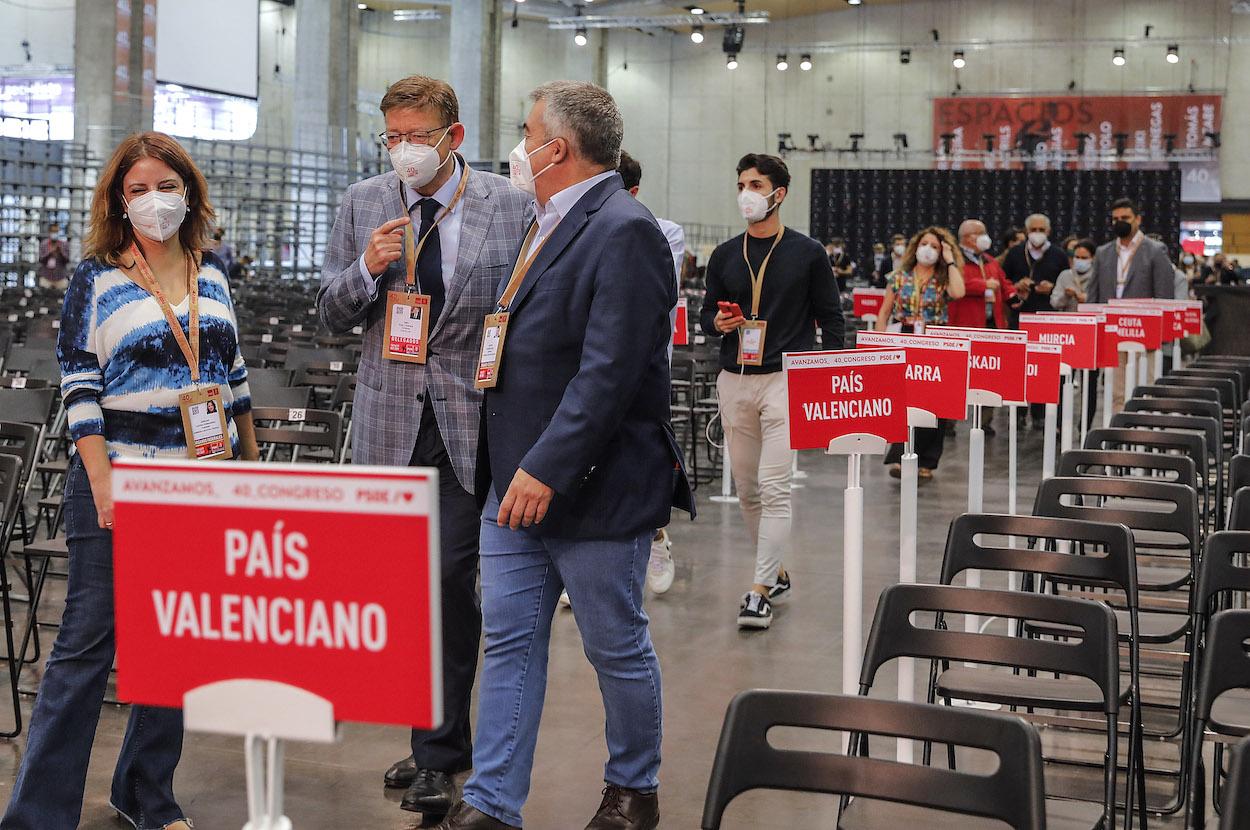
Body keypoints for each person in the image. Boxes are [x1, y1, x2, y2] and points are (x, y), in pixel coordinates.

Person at [435, 80, 692, 830]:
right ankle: (491, 801)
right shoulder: (542, 222)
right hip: (509, 484)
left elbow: (610, 372)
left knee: (614, 645)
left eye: (525, 132)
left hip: (592, 486)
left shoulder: (625, 228)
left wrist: (548, 466)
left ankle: (632, 789)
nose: (517, 146)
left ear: (558, 149)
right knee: (510, 641)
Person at [1, 131, 259, 830]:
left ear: (189, 191)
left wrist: (250, 477)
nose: (153, 200)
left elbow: (233, 388)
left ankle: (147, 793)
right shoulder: (97, 276)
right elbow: (80, 388)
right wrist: (104, 480)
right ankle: (37, 815)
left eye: (165, 185)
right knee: (87, 645)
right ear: (119, 199)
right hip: (121, 482)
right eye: (137, 188)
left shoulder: (212, 274)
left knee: (173, 646)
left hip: (200, 485)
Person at [318, 75, 530, 820]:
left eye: (418, 135)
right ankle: (436, 734)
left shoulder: (511, 205)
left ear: (454, 137)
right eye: (393, 137)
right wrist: (367, 270)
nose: (405, 150)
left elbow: (527, 314)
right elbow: (330, 316)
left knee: (447, 580)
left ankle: (441, 754)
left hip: (471, 428)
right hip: (387, 426)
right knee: (407, 592)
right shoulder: (363, 204)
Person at [700, 153, 843, 631]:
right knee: (747, 488)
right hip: (735, 377)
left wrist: (826, 377)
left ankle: (758, 590)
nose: (747, 192)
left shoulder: (808, 253)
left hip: (787, 378)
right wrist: (719, 323)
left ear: (778, 194)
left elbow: (832, 319)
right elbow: (706, 318)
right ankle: (776, 571)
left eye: (756, 184)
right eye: (741, 183)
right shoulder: (724, 255)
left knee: (775, 486)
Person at [616, 150, 682, 596]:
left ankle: (655, 536)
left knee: (637, 469)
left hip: (642, 373)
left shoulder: (664, 233)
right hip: (582, 371)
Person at [875, 227, 966, 479]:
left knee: (934, 402)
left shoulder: (944, 278)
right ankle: (901, 455)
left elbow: (959, 293)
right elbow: (884, 312)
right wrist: (880, 344)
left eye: (935, 246)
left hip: (934, 339)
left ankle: (926, 460)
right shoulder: (899, 276)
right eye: (925, 244)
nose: (929, 249)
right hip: (904, 336)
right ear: (916, 247)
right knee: (905, 400)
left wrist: (949, 260)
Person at [1088, 198, 1176, 414]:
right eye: (1115, 219)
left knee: (1143, 388)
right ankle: (1118, 435)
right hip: (1112, 332)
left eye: (1125, 218)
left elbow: (1164, 294)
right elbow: (1094, 293)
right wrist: (1092, 327)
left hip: (1144, 332)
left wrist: (1162, 335)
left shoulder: (1156, 251)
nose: (1120, 222)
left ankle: (1143, 435)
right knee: (1115, 391)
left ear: (1138, 219)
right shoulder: (1103, 252)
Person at [950, 218, 1013, 329]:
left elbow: (1004, 283)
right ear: (966, 237)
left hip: (992, 323)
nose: (985, 237)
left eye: (985, 233)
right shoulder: (953, 261)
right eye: (980, 233)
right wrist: (983, 285)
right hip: (967, 324)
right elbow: (954, 287)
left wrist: (1013, 295)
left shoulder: (990, 261)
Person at [1051, 238, 1096, 312]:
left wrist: (1087, 299)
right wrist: (1065, 295)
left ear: (1093, 258)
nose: (1080, 260)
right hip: (1068, 319)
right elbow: (1054, 303)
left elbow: (1103, 302)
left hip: (1090, 319)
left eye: (1084, 258)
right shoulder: (1065, 275)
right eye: (1077, 257)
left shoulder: (1097, 277)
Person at [37, 222, 70, 291]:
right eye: (53, 231)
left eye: (56, 231)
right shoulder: (44, 244)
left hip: (60, 276)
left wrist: (60, 252)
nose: (55, 233)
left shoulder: (64, 244)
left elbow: (67, 260)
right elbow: (41, 260)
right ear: (49, 232)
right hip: (46, 276)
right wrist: (50, 253)